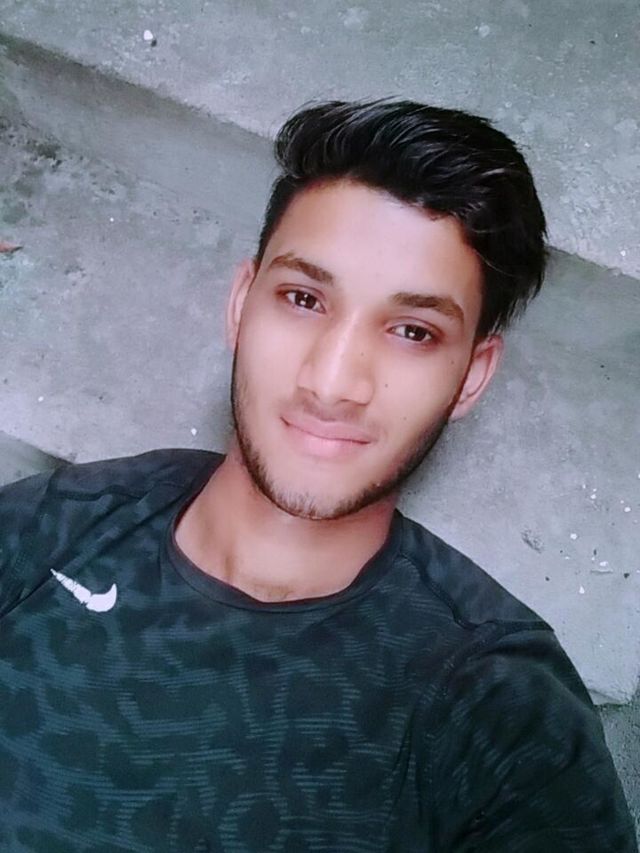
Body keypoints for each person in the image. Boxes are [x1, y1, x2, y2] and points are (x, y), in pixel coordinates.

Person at [0, 99, 636, 852]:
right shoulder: (47, 530)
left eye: (413, 331)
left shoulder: (503, 712)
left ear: (472, 375)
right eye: (304, 299)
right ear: (241, 305)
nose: (332, 384)